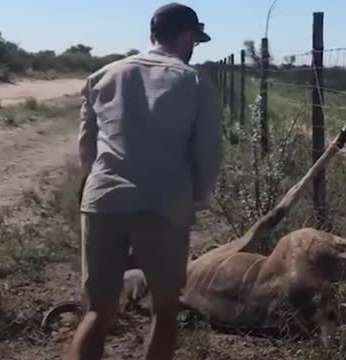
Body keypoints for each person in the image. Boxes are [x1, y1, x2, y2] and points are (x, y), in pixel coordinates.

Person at [67, 3, 222, 360]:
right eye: (194, 40)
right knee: (166, 311)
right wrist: (197, 197)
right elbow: (207, 152)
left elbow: (87, 149)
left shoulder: (102, 76)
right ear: (186, 36)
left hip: (103, 201)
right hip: (164, 205)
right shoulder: (194, 81)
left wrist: (98, 183)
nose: (193, 48)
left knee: (98, 311)